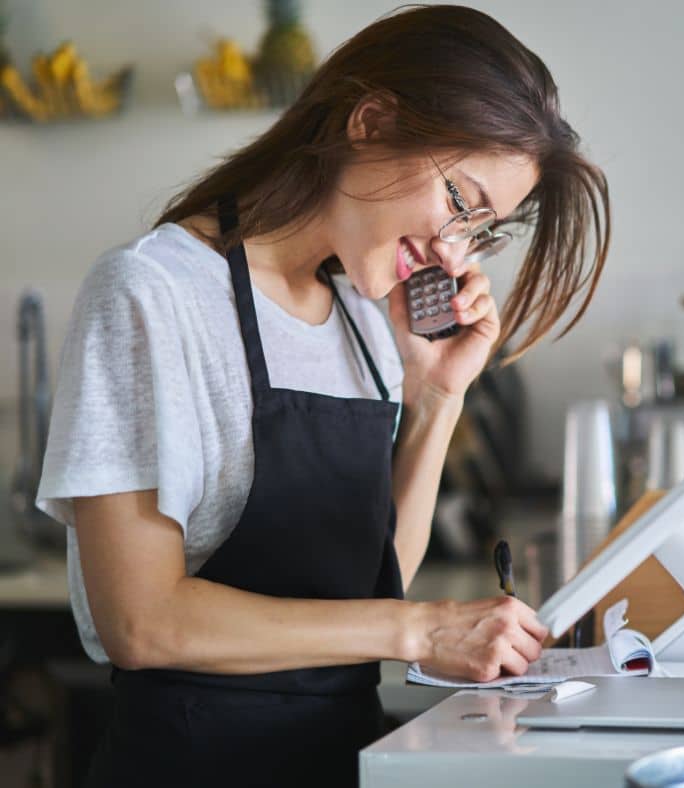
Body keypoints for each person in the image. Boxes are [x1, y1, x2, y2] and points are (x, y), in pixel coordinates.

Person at [36, 5, 610, 787]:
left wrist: (437, 397)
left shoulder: (365, 322)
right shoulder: (151, 292)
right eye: (459, 202)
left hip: (342, 761)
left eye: (481, 231)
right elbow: (142, 622)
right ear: (370, 121)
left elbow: (377, 578)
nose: (453, 249)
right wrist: (422, 629)